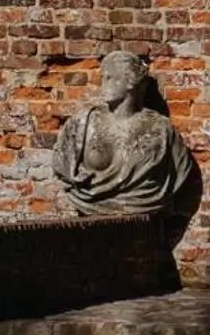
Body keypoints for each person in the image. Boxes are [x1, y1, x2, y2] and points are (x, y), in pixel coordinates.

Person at [52, 51, 199, 220]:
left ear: (131, 82)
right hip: (89, 210)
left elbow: (179, 170)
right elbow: (62, 166)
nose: (103, 84)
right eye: (103, 78)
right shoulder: (81, 125)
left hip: (144, 216)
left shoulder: (160, 129)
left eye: (110, 78)